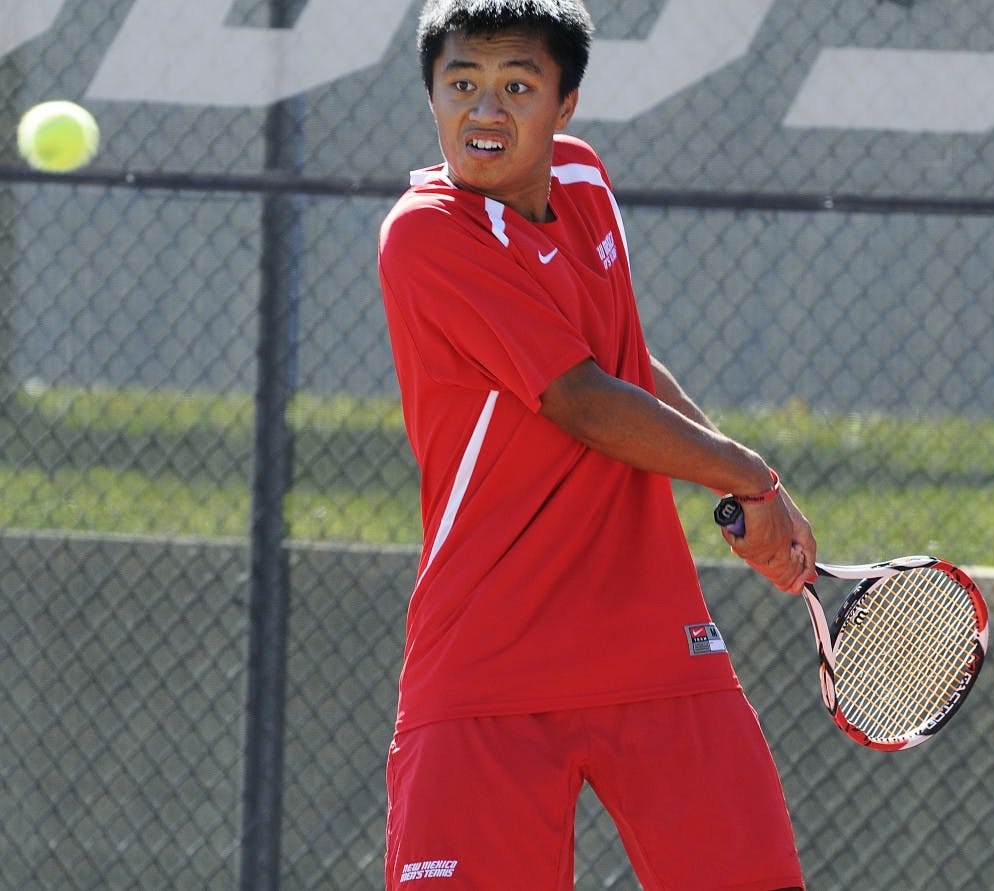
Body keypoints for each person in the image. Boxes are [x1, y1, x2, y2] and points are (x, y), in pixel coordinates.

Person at [377, 1, 816, 888]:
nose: (485, 111)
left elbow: (619, 355)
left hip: (656, 648)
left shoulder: (580, 182)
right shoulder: (424, 235)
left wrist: (731, 473)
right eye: (461, 84)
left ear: (565, 105)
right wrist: (750, 477)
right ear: (431, 98)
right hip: (487, 663)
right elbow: (577, 398)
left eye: (518, 86)